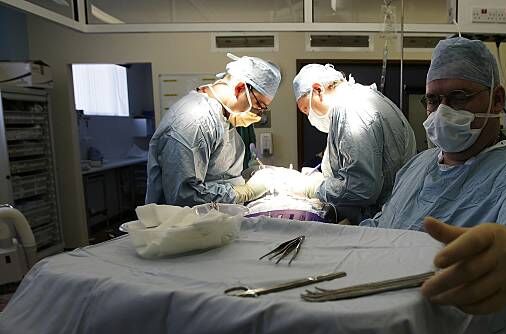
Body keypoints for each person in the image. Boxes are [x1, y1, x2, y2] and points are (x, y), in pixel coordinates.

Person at [361, 37, 506, 334]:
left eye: (459, 97)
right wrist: (349, 235)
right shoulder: (418, 165)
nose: (442, 111)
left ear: (496, 100)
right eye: (433, 99)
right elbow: (386, 220)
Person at [145, 54, 281, 206]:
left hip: (215, 221)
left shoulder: (223, 117)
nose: (258, 114)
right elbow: (185, 196)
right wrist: (244, 192)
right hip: (188, 225)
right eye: (259, 105)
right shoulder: (195, 121)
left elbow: (221, 175)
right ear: (240, 88)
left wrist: (251, 175)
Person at [292, 64, 416, 223]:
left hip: (385, 221)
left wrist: (313, 188)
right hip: (389, 214)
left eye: (305, 109)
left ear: (318, 90)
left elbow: (361, 187)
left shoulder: (350, 108)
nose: (309, 117)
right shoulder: (359, 98)